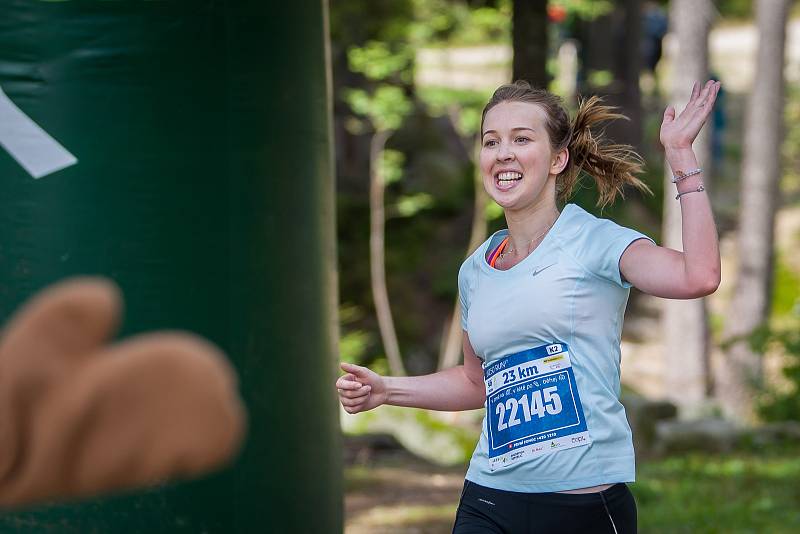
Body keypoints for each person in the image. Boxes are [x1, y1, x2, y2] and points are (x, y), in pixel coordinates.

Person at [337, 79, 721, 533]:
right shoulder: (476, 269)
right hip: (489, 497)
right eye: (491, 141)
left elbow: (699, 277)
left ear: (558, 159)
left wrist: (681, 159)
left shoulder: (594, 240)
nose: (503, 153)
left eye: (522, 139)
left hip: (582, 506)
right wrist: (386, 390)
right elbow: (473, 381)